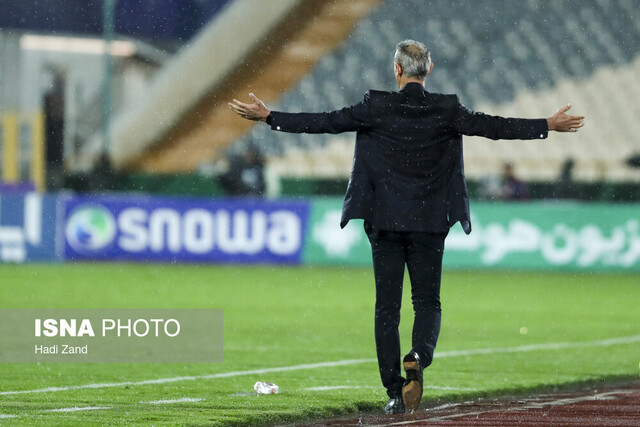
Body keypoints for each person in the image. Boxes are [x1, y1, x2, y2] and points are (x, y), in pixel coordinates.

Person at [228, 40, 584, 414]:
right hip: (429, 223)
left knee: (387, 308)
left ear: (397, 70)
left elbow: (324, 122)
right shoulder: (447, 108)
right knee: (427, 302)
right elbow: (494, 127)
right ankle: (418, 356)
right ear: (429, 70)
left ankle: (394, 392)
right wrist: (547, 125)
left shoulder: (375, 106)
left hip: (384, 221)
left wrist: (270, 117)